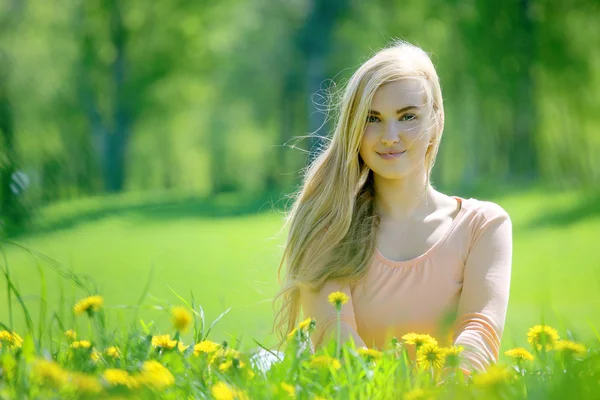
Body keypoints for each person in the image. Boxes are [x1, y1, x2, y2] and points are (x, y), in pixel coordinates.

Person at [271, 40, 512, 376]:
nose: (390, 136)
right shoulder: (328, 228)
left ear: (436, 122)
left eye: (407, 116)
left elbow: (479, 335)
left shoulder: (484, 226)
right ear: (354, 128)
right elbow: (337, 350)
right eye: (373, 118)